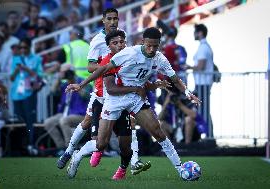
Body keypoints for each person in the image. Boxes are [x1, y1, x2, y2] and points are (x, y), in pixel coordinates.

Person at [65, 27, 200, 178]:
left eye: (155, 46)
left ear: (159, 44)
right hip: (115, 99)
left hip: (136, 98)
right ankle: (77, 155)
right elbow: (103, 69)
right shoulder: (129, 52)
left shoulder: (160, 58)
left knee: (157, 131)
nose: (151, 49)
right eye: (149, 45)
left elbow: (175, 79)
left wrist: (188, 93)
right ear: (143, 42)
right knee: (101, 143)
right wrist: (81, 85)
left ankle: (180, 168)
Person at [57, 8, 151, 175]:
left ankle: (134, 160)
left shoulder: (122, 36)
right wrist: (109, 67)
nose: (113, 22)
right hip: (101, 92)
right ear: (103, 20)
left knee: (130, 122)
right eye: (110, 19)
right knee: (87, 124)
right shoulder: (97, 41)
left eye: (116, 18)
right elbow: (90, 66)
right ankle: (69, 151)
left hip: (120, 92)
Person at [43, 64, 90, 154]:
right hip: (66, 113)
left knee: (64, 121)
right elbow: (53, 92)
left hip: (80, 114)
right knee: (48, 122)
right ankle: (61, 148)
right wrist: (58, 79)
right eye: (61, 72)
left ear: (72, 71)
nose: (63, 74)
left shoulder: (83, 81)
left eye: (65, 72)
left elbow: (87, 96)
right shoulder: (64, 84)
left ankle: (69, 149)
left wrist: (77, 87)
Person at [10, 38, 43, 155]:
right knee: (19, 120)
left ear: (29, 47)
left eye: (24, 47)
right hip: (16, 94)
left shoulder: (37, 59)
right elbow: (11, 78)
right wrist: (16, 70)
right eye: (20, 48)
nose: (22, 50)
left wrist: (26, 69)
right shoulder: (15, 59)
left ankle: (31, 145)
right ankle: (20, 147)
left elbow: (39, 76)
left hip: (29, 93)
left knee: (30, 121)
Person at [185, 24, 214, 137]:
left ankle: (209, 135)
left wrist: (189, 67)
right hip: (203, 84)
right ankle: (208, 135)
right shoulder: (204, 46)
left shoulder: (203, 47)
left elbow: (201, 66)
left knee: (204, 111)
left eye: (195, 32)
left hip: (203, 84)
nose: (194, 34)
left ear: (200, 33)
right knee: (203, 110)